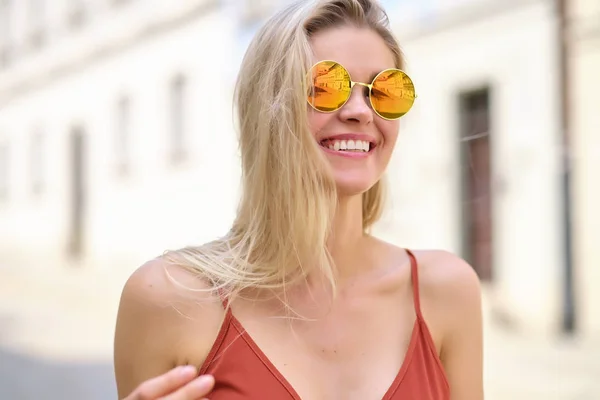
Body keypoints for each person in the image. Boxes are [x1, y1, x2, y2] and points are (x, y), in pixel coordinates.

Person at [113, 0, 484, 399]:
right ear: (267, 110)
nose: (361, 111)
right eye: (326, 86)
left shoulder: (445, 292)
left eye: (385, 91)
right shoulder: (169, 298)